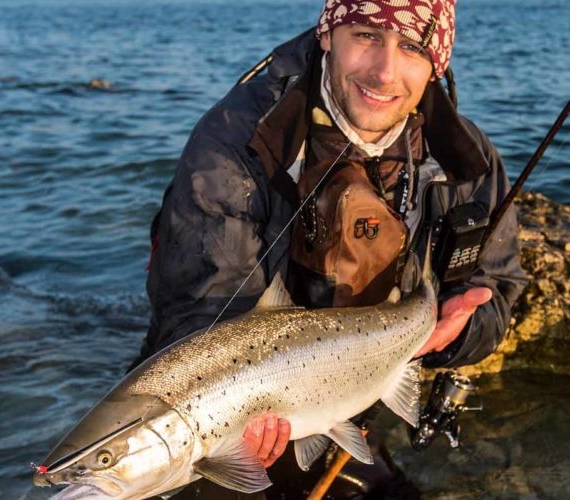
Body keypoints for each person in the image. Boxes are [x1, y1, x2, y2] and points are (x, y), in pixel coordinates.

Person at [133, 0, 527, 497]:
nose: (384, 72)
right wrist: (233, 418)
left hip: (358, 398)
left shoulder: (469, 158)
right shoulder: (237, 142)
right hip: (230, 404)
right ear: (327, 36)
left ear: (437, 64)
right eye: (365, 35)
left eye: (411, 47)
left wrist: (456, 331)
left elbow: (498, 289)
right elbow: (202, 312)